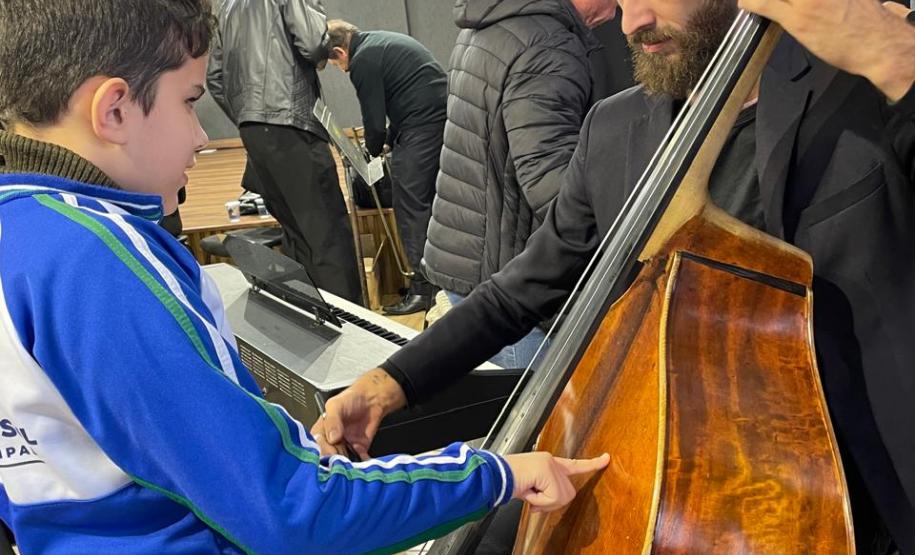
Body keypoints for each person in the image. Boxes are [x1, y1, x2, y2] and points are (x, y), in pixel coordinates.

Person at [0, 1, 611, 553]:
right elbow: (289, 513)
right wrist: (494, 474)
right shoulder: (105, 257)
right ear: (113, 109)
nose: (197, 136)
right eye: (190, 102)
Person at [316, 0, 915, 552]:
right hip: (681, 459)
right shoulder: (613, 130)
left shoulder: (867, 85)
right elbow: (519, 291)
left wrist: (896, 58)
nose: (632, 21)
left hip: (874, 463)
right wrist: (386, 384)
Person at [420, 0, 617, 369]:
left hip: (470, 268)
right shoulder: (548, 45)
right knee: (538, 423)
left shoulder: (492, 24)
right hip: (513, 289)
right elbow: (551, 183)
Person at [206, 0, 363, 303]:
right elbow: (314, 45)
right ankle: (355, 340)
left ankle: (312, 330)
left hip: (253, 130)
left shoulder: (225, 6)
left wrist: (249, 115)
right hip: (292, 121)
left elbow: (214, 78)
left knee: (297, 237)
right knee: (327, 238)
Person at [325, 20, 446, 316]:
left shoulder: (363, 61)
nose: (341, 70)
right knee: (422, 203)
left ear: (341, 52)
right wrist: (387, 143)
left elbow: (374, 121)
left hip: (426, 123)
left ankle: (424, 290)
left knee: (410, 205)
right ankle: (433, 281)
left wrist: (373, 151)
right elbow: (400, 99)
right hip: (431, 116)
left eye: (335, 64)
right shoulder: (377, 42)